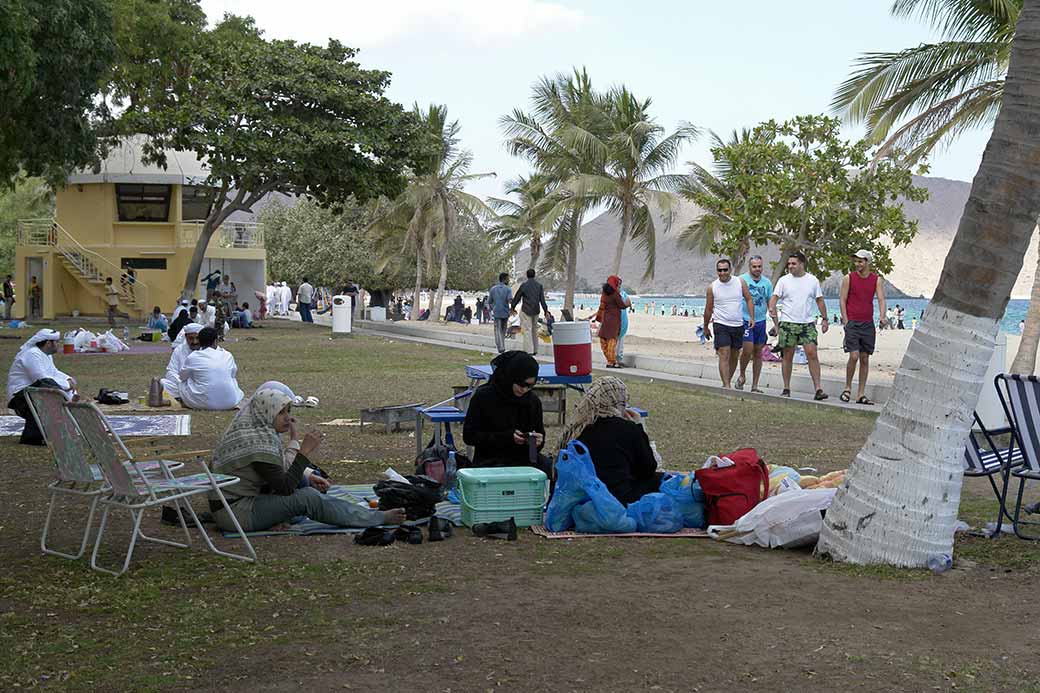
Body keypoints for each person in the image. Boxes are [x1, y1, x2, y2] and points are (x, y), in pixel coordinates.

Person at [208, 386, 406, 534]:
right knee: (308, 498)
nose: (287, 418)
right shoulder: (257, 443)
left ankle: (275, 518)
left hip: (236, 505)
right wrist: (304, 452)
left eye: (288, 412)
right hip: (235, 513)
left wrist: (295, 442)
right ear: (266, 413)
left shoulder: (255, 430)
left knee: (303, 486)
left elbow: (279, 470)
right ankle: (376, 517)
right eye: (281, 413)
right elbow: (284, 487)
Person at [556, 377, 662, 505]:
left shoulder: (579, 427)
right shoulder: (628, 428)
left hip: (584, 498)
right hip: (620, 499)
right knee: (661, 480)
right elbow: (647, 468)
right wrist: (639, 427)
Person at [462, 351, 548, 474]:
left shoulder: (532, 401)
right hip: (489, 462)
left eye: (530, 386)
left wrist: (537, 442)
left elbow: (537, 442)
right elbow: (469, 436)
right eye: (521, 384)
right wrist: (506, 437)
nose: (524, 389)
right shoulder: (484, 397)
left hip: (523, 462)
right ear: (509, 376)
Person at [768, 251, 829, 400]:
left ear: (802, 264)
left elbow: (819, 300)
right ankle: (786, 388)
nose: (790, 266)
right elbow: (774, 298)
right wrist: (772, 310)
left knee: (812, 354)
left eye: (793, 263)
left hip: (807, 324)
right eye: (789, 264)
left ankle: (818, 389)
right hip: (788, 323)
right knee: (787, 356)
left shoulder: (812, 280)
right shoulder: (784, 281)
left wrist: (825, 319)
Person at [7, 330, 78, 445]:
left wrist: (69, 379)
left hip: (33, 393)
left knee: (54, 388)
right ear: (49, 343)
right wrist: (67, 385)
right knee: (49, 386)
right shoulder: (32, 354)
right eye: (56, 342)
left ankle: (68, 403)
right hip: (21, 397)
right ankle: (33, 437)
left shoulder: (45, 355)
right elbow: (40, 378)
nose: (58, 345)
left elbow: (54, 372)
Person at [839, 249, 887, 406]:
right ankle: (847, 388)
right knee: (853, 356)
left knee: (865, 358)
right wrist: (846, 321)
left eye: (860, 261)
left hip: (867, 324)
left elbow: (881, 299)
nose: (857, 264)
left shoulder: (876, 279)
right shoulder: (849, 278)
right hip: (852, 322)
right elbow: (842, 300)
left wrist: (882, 316)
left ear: (867, 262)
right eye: (856, 261)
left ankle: (860, 393)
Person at [703, 258, 755, 388]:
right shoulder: (712, 287)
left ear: (730, 270)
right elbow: (708, 308)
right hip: (721, 324)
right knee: (724, 353)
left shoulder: (740, 282)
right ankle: (726, 386)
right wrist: (705, 326)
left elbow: (749, 299)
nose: (722, 273)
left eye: (725, 270)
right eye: (719, 270)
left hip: (737, 325)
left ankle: (727, 382)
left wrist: (752, 317)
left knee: (734, 355)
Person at [178, 327, 244, 410]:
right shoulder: (227, 355)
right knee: (231, 379)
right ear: (216, 341)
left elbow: (182, 377)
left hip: (202, 403)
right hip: (230, 402)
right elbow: (233, 375)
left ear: (200, 342)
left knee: (182, 383)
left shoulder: (193, 356)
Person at [735, 255, 773, 393]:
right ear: (749, 267)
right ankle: (742, 374)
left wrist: (776, 323)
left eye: (759, 266)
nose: (757, 269)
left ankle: (755, 385)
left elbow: (770, 303)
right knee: (747, 350)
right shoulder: (741, 280)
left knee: (758, 353)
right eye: (754, 266)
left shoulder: (767, 283)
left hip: (761, 321)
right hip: (745, 320)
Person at [510, 269, 552, 355]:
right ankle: (535, 350)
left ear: (527, 275)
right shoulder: (539, 286)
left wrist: (513, 307)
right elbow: (542, 300)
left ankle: (529, 351)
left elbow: (517, 298)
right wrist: (545, 311)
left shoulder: (524, 285)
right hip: (536, 310)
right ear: (534, 275)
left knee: (527, 330)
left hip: (526, 310)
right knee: (534, 330)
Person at [590, 277, 629, 368]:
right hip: (614, 320)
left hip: (605, 319)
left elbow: (601, 306)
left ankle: (609, 361)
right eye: (618, 284)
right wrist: (627, 304)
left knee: (604, 340)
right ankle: (612, 362)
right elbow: (622, 305)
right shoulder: (615, 294)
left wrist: (598, 318)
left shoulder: (604, 294)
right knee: (612, 340)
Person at [161, 323, 202, 400]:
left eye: (197, 338)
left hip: (200, 386)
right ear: (186, 337)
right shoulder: (179, 350)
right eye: (191, 338)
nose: (195, 341)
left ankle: (185, 397)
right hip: (182, 386)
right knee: (162, 383)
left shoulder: (205, 349)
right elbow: (170, 372)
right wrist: (183, 385)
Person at [489, 273, 512, 354]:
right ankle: (502, 346)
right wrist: (512, 309)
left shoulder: (493, 289)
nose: (509, 280)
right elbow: (510, 300)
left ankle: (501, 347)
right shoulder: (508, 289)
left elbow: (490, 302)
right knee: (503, 330)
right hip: (505, 312)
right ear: (504, 279)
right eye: (508, 279)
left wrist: (494, 308)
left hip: (496, 312)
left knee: (497, 330)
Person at [614, 277, 633, 365]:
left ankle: (619, 359)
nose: (619, 286)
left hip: (623, 320)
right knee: (614, 340)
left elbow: (628, 302)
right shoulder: (611, 295)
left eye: (620, 284)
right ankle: (613, 359)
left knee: (621, 340)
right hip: (614, 320)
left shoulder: (623, 294)